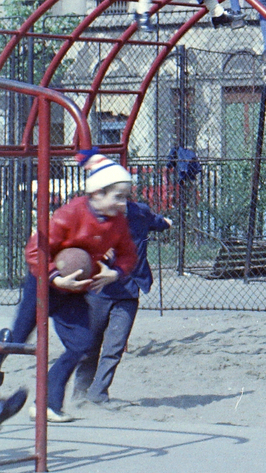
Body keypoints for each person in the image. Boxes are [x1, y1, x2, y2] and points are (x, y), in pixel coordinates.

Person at [0, 153, 138, 422]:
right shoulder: (71, 214)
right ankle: (4, 342)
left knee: (81, 344)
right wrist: (53, 277)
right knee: (18, 339)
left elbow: (128, 255)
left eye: (124, 197)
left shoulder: (117, 222)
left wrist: (115, 273)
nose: (123, 203)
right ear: (97, 193)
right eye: (118, 196)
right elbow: (34, 250)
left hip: (74, 291)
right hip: (44, 285)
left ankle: (48, 404)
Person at [73, 192, 173, 408]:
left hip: (128, 292)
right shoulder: (95, 217)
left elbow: (157, 222)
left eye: (121, 195)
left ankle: (98, 393)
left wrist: (166, 222)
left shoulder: (140, 212)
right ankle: (80, 391)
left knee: (114, 346)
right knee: (90, 344)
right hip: (99, 290)